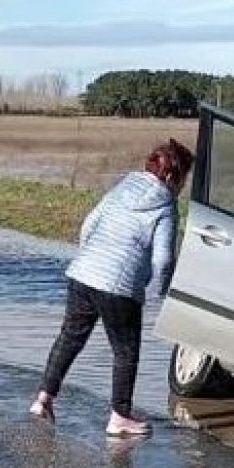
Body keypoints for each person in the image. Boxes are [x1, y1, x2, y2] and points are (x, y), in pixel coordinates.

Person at [30, 139, 195, 436]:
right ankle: (120, 417)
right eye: (184, 178)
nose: (183, 185)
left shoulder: (124, 185)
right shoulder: (166, 205)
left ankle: (43, 399)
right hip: (119, 286)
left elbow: (89, 224)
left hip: (83, 274)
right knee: (126, 352)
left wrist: (89, 259)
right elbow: (163, 258)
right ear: (172, 176)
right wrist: (163, 289)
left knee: (70, 338)